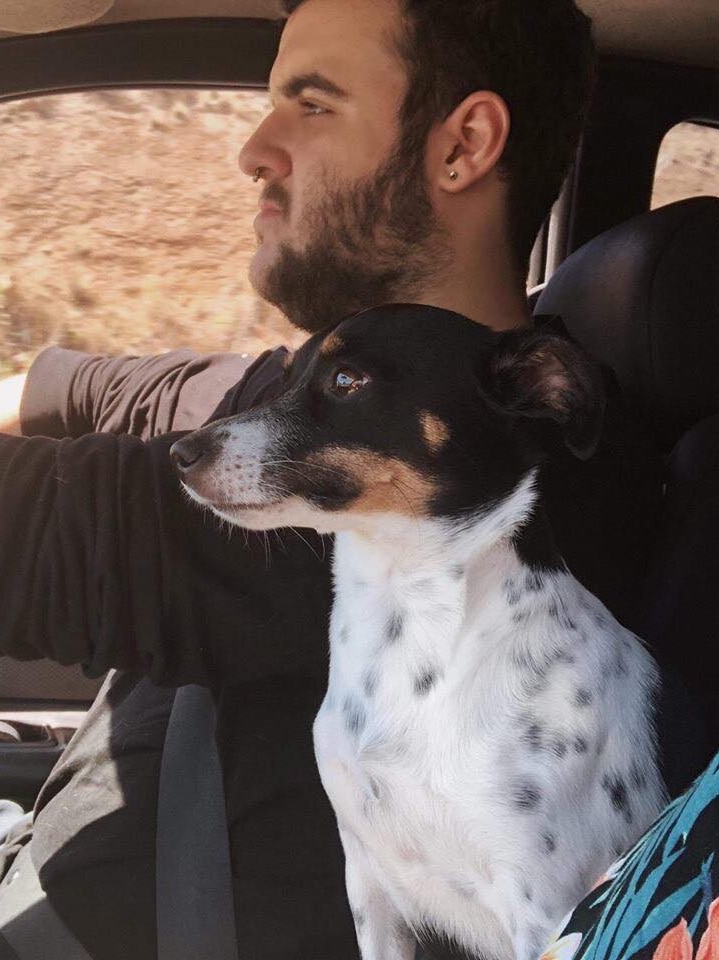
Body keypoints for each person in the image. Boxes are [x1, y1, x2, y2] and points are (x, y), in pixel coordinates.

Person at [0, 1, 695, 957]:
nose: (254, 146)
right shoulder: (320, 390)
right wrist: (34, 384)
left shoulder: (473, 489)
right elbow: (130, 392)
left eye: (312, 104)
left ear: (464, 147)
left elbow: (49, 531)